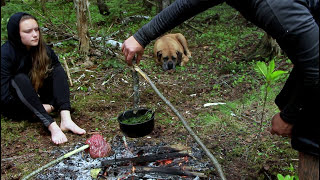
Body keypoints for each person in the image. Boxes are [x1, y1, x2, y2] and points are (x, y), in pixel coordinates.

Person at [121, 0, 319, 179]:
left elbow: (316, 69)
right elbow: (188, 4)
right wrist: (141, 37)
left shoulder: (275, 6)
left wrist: (289, 117)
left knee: (310, 134)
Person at [1, 12, 86, 145]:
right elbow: (4, 98)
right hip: (16, 105)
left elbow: (57, 75)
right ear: (17, 34)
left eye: (36, 29)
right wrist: (38, 108)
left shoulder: (41, 48)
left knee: (57, 69)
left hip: (40, 99)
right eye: (28, 31)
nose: (35, 34)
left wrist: (50, 105)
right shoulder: (5, 54)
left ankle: (66, 118)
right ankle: (52, 126)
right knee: (19, 78)